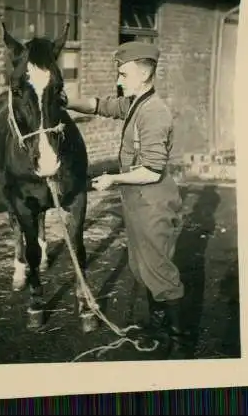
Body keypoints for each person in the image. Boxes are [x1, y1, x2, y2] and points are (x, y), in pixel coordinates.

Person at [61, 41, 191, 359]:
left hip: (152, 202)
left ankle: (180, 343)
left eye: (123, 74)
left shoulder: (154, 113)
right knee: (141, 265)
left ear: (144, 74)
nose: (118, 81)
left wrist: (112, 178)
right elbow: (100, 105)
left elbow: (150, 170)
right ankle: (158, 328)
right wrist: (63, 101)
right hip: (138, 202)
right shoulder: (135, 103)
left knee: (159, 271)